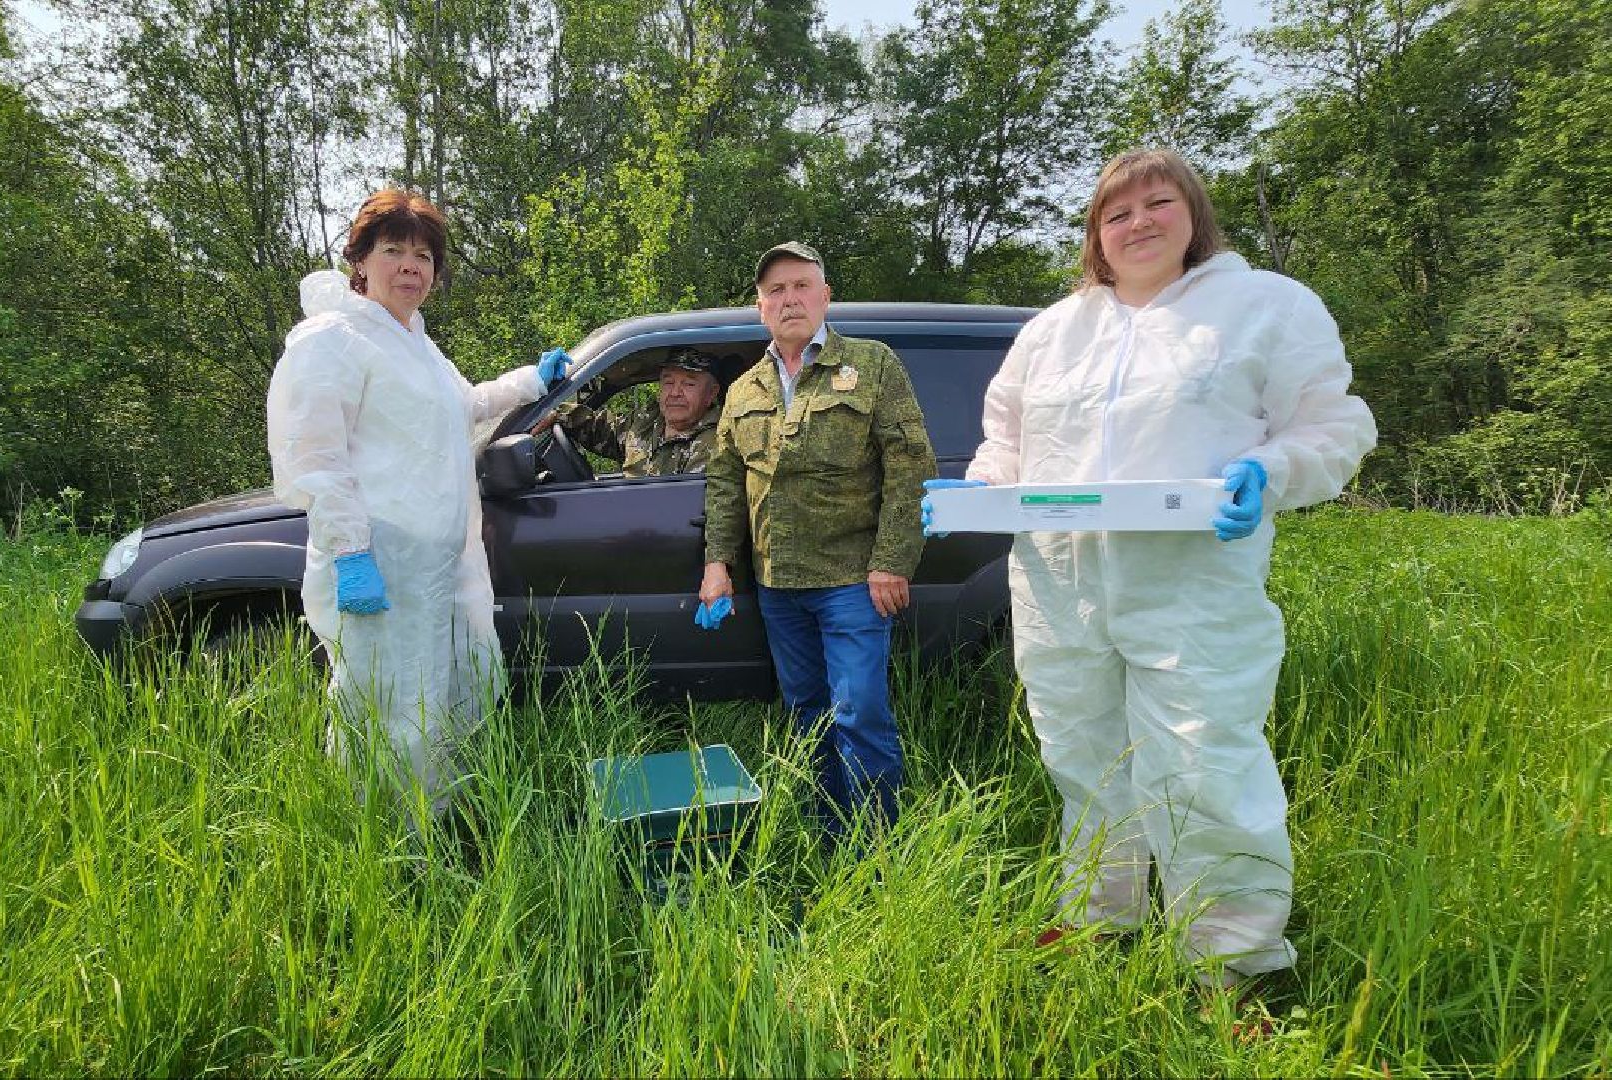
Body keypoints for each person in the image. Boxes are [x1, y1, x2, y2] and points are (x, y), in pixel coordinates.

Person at [927, 148, 1377, 986]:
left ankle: (1232, 964)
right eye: (1115, 213)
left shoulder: (1262, 308)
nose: (1136, 224)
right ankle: (1102, 920)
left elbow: (1332, 425)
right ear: (1095, 235)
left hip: (1190, 584)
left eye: (1156, 204)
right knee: (1083, 759)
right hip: (1059, 585)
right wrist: (978, 492)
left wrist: (1269, 472)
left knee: (1205, 763)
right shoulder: (1052, 331)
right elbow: (1008, 444)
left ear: (1193, 215)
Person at [266, 188, 566, 804]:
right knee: (389, 705)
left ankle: (442, 825)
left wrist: (531, 381)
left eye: (423, 255)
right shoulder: (334, 339)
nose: (410, 266)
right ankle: (386, 845)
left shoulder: (416, 346)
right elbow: (315, 456)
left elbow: (469, 408)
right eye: (394, 250)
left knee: (438, 700)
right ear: (361, 261)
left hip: (437, 566)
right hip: (382, 559)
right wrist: (350, 552)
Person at [696, 241, 936, 836]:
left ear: (826, 296)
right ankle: (828, 830)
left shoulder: (872, 365)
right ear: (760, 308)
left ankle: (876, 846)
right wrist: (718, 562)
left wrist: (892, 561)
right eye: (776, 290)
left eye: (802, 285)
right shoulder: (745, 389)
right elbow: (726, 480)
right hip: (779, 585)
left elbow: (910, 464)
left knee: (859, 712)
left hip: (855, 580)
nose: (790, 299)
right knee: (806, 712)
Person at [546, 348, 723, 477]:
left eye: (689, 384)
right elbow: (602, 431)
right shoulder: (647, 420)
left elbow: (681, 505)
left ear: (711, 393)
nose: (675, 393)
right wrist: (556, 413)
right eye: (668, 383)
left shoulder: (717, 441)